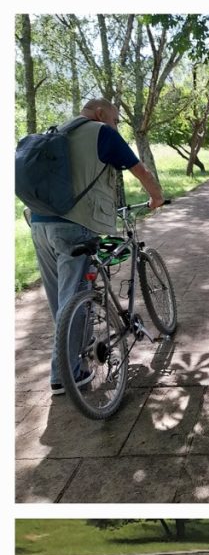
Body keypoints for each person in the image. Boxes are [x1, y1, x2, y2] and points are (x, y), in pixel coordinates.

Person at [28, 98, 164, 395]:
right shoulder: (101, 132)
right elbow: (140, 171)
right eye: (116, 119)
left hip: (39, 224)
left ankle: (73, 356)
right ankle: (67, 376)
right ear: (101, 114)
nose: (115, 125)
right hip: (73, 226)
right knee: (73, 301)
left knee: (61, 304)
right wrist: (156, 197)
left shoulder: (56, 132)